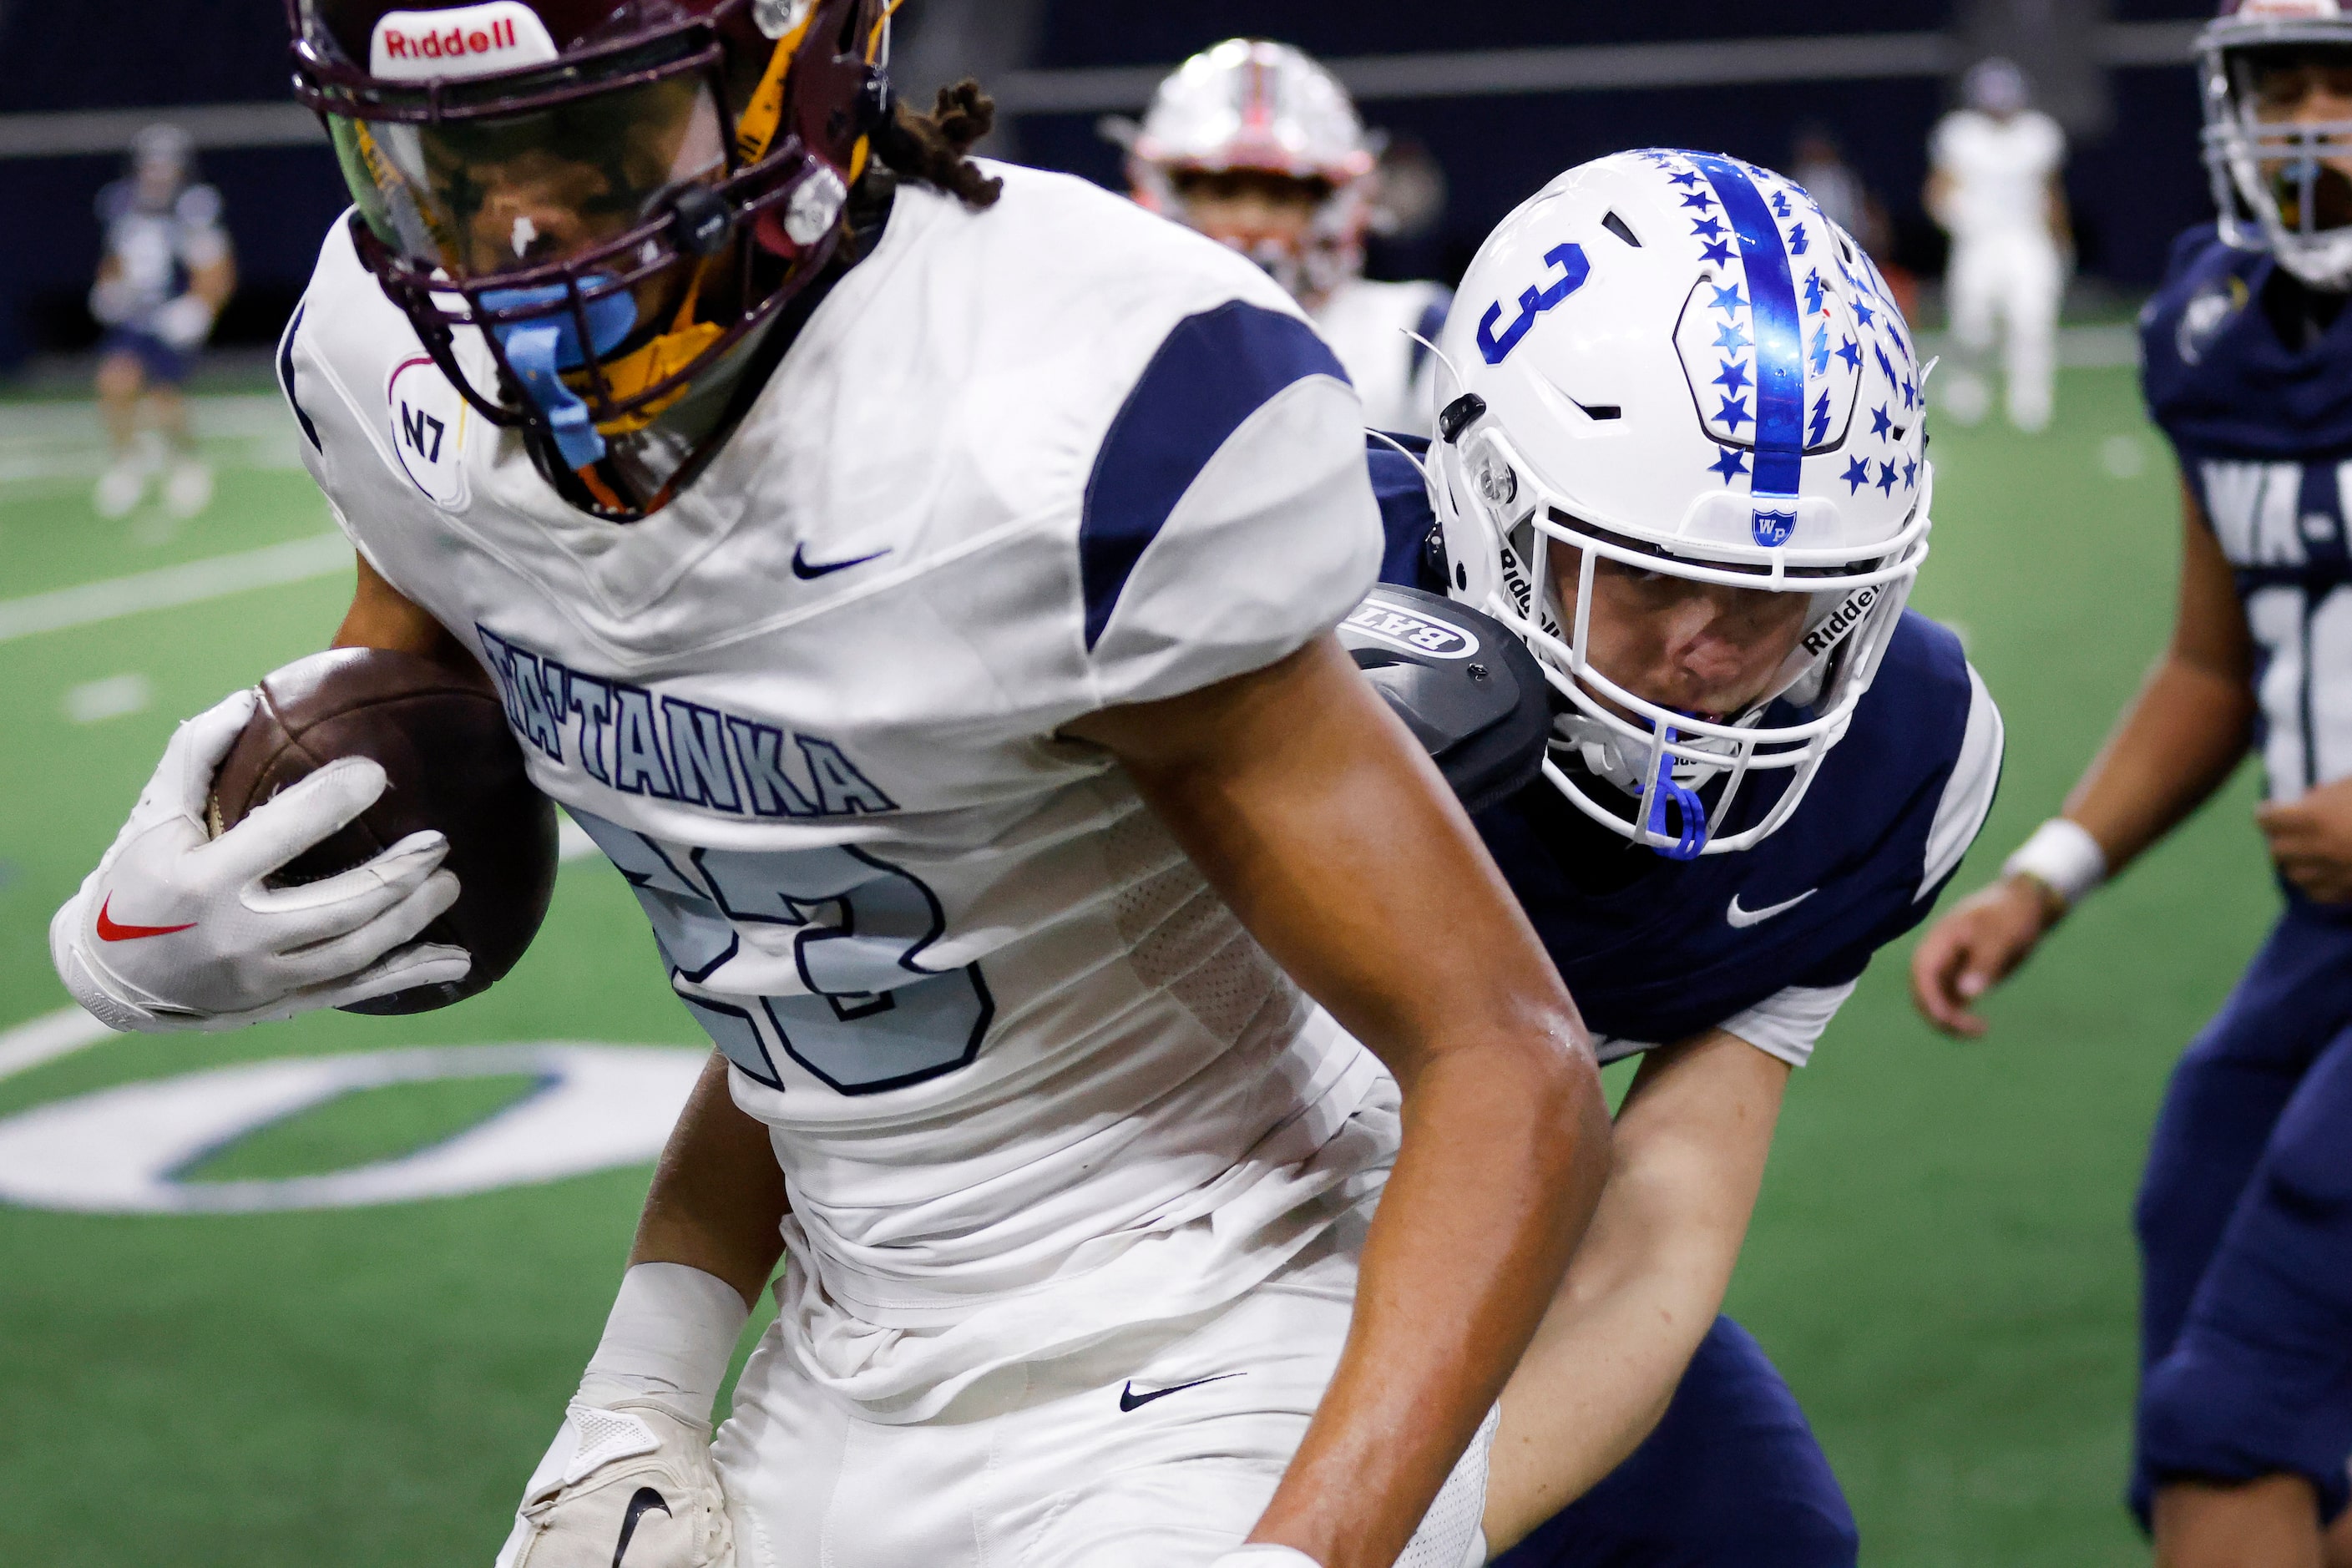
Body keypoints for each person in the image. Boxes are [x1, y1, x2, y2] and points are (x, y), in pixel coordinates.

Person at [48, 4, 1612, 1568]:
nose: (511, 241)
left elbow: (1502, 1054)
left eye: (585, 149)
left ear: (784, 87)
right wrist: (157, 937)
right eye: (439, 163)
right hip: (842, 1345)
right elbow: (774, 940)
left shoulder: (1057, 410)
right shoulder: (400, 373)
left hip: (1213, 1313)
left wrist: (1303, 1551)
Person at [1368, 149, 2000, 1565]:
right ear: (1486, 507)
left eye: (1776, 600)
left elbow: (1652, 1233)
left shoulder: (1900, 760)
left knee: (1759, 1535)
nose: (1707, 651)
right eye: (1647, 574)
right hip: (1144, 1224)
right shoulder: (1275, 597)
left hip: (1478, 1228)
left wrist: (1414, 1534)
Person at [1911, 7, 2352, 1565]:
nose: (2310, 124)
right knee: (2200, 1182)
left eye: (2343, 87)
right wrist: (2046, 873)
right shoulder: (2218, 322)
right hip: (2321, 944)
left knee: (2238, 1402)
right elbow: (2213, 668)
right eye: (2279, 89)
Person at [1118, 38, 1450, 433]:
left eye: (1279, 195)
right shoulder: (1115, 337)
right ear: (1170, 200)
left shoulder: (1412, 333)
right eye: (1225, 193)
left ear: (1330, 208)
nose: (1252, 220)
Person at [89, 122, 236, 519]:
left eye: (165, 166)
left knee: (163, 398)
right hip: (136, 312)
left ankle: (186, 463)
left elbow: (216, 267)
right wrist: (107, 288)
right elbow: (114, 259)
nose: (157, 174)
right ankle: (127, 462)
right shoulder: (121, 202)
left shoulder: (193, 207)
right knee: (114, 382)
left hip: (172, 310)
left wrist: (200, 307)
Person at [1925, 57, 2069, 432]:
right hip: (1979, 239)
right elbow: (1938, 191)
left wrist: (2061, 240)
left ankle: (2031, 401)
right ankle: (1968, 391)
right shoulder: (1960, 134)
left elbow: (2051, 192)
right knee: (1971, 322)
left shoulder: (2038, 133)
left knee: (2032, 318)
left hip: (2026, 237)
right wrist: (1958, 220)